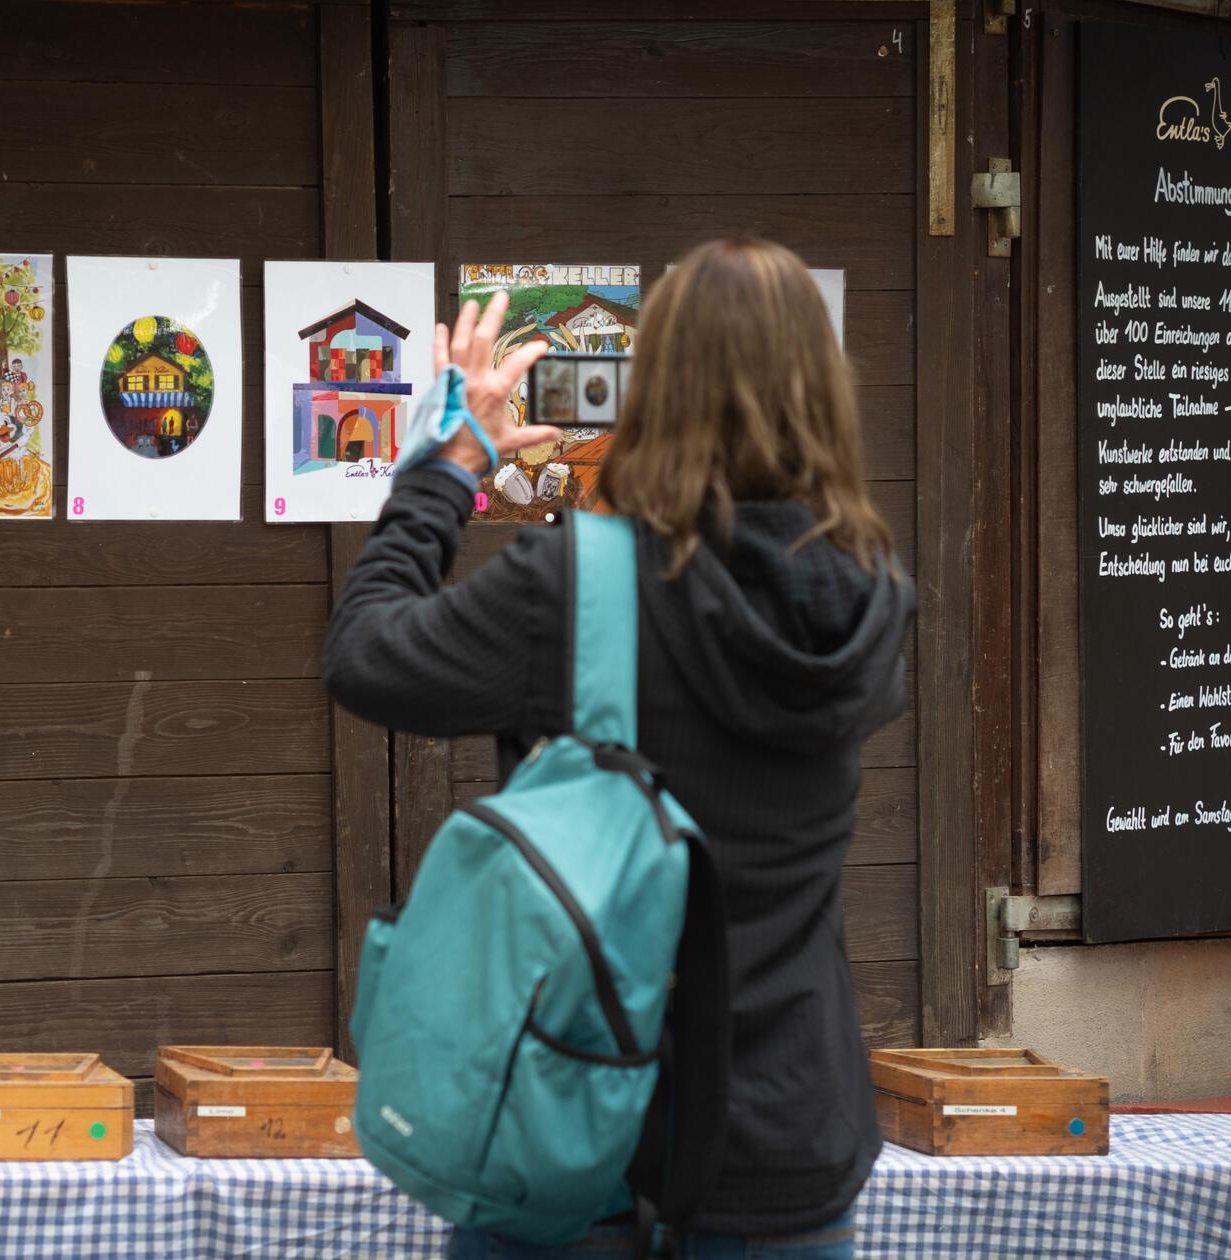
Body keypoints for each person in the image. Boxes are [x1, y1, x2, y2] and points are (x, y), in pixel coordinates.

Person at [323, 238, 910, 1260]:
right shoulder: (875, 598)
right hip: (787, 1153)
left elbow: (366, 658)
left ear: (656, 387)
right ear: (823, 392)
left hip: (573, 1135)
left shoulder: (580, 582)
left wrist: (448, 469)